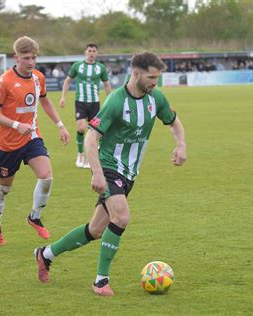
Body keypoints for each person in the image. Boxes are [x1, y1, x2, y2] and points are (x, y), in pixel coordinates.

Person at [34, 51, 187, 296]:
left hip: (129, 173)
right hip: (108, 167)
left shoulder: (155, 98)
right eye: (151, 77)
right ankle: (101, 281)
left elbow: (174, 122)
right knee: (122, 217)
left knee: (95, 230)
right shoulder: (116, 101)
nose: (154, 83)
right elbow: (91, 139)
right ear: (135, 73)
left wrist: (181, 145)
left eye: (157, 78)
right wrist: (97, 173)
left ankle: (46, 254)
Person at [0, 36, 70, 246]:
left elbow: (45, 102)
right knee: (4, 189)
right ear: (16, 58)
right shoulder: (4, 81)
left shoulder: (38, 78)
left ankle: (34, 216)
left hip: (31, 137)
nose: (31, 62)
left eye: (34, 58)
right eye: (26, 58)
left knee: (46, 176)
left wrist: (60, 125)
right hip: (8, 144)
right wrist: (16, 125)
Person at [59, 43, 112, 168]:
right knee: (81, 128)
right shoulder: (78, 66)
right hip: (81, 102)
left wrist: (110, 100)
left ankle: (89, 158)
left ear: (97, 53)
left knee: (93, 131)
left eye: (94, 51)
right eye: (90, 51)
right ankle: (80, 155)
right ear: (85, 52)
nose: (92, 53)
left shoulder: (100, 68)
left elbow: (106, 84)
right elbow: (67, 81)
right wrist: (63, 97)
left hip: (95, 103)